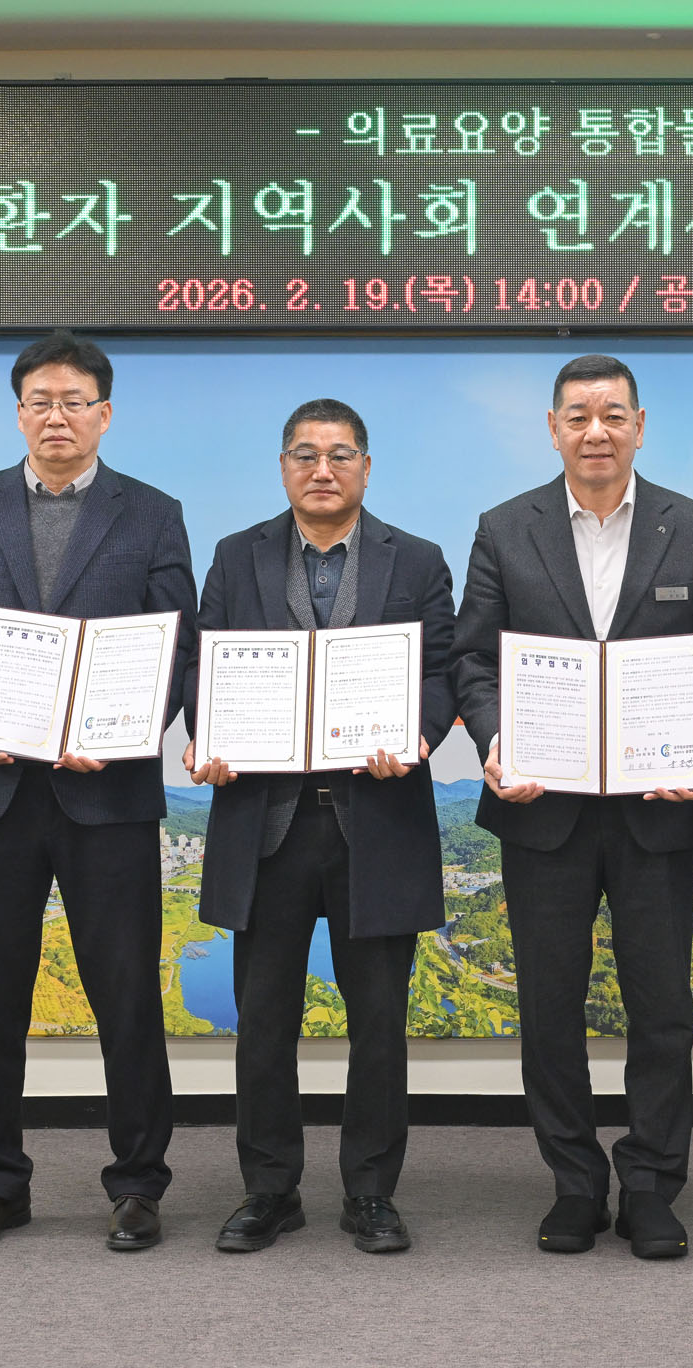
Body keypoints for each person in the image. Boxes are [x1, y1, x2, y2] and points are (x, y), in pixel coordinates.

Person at [450, 354, 693, 1259]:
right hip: (545, 807)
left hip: (657, 805)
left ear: (640, 426)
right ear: (553, 429)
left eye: (613, 414)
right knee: (550, 1006)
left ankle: (651, 1184)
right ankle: (574, 1182)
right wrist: (495, 741)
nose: (596, 431)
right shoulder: (506, 528)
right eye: (578, 415)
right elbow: (473, 660)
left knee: (662, 1008)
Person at [0, 330, 197, 1252]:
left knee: (127, 995)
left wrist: (121, 735)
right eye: (41, 400)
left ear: (104, 414)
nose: (57, 416)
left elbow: (177, 649)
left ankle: (138, 1183)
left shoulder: (152, 513)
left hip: (107, 794)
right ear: (19, 412)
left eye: (75, 401)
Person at [184, 398, 456, 1256]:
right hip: (265, 823)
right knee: (265, 1022)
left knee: (378, 1023)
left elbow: (442, 670)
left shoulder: (418, 559)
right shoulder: (237, 556)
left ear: (366, 467)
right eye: (305, 454)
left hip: (377, 820)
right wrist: (208, 736)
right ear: (283, 468)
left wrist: (419, 736)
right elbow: (204, 665)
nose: (323, 469)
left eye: (340, 454)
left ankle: (371, 1193)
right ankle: (269, 1190)